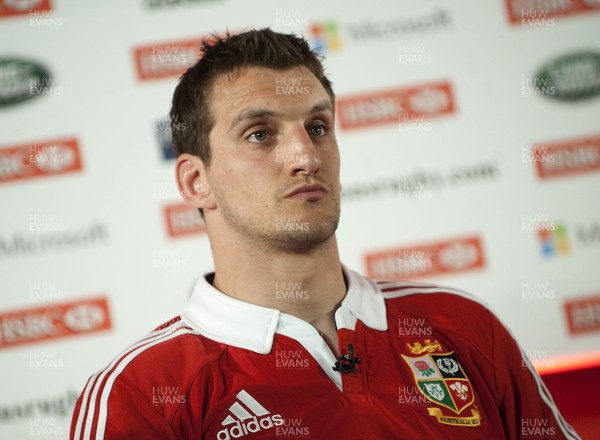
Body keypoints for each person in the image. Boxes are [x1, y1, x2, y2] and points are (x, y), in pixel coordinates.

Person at [70, 28, 580, 439]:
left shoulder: (463, 326)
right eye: (260, 134)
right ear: (195, 181)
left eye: (317, 127)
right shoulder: (141, 393)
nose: (307, 157)